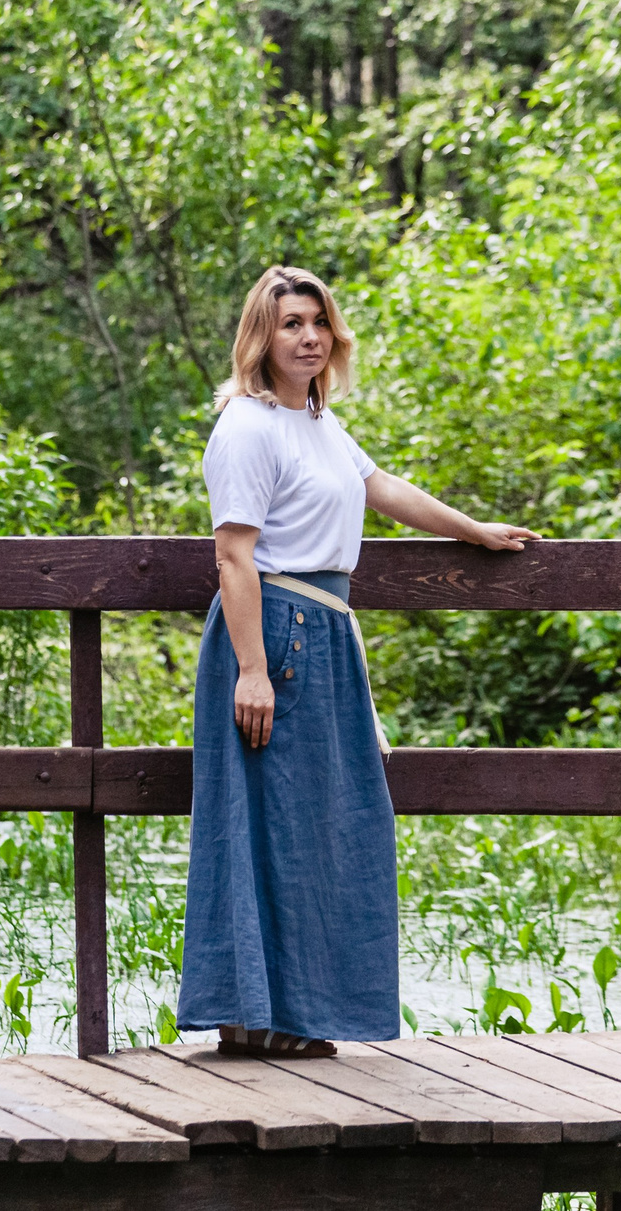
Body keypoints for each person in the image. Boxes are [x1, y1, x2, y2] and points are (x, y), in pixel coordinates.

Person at [175, 264, 540, 1058]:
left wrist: (474, 530)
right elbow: (233, 554)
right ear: (261, 337)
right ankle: (254, 1015)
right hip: (275, 634)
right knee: (270, 821)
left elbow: (383, 487)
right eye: (290, 323)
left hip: (325, 634)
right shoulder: (248, 426)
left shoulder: (318, 422)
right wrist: (252, 669)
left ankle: (290, 1013)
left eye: (318, 322)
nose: (308, 336)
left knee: (326, 823)